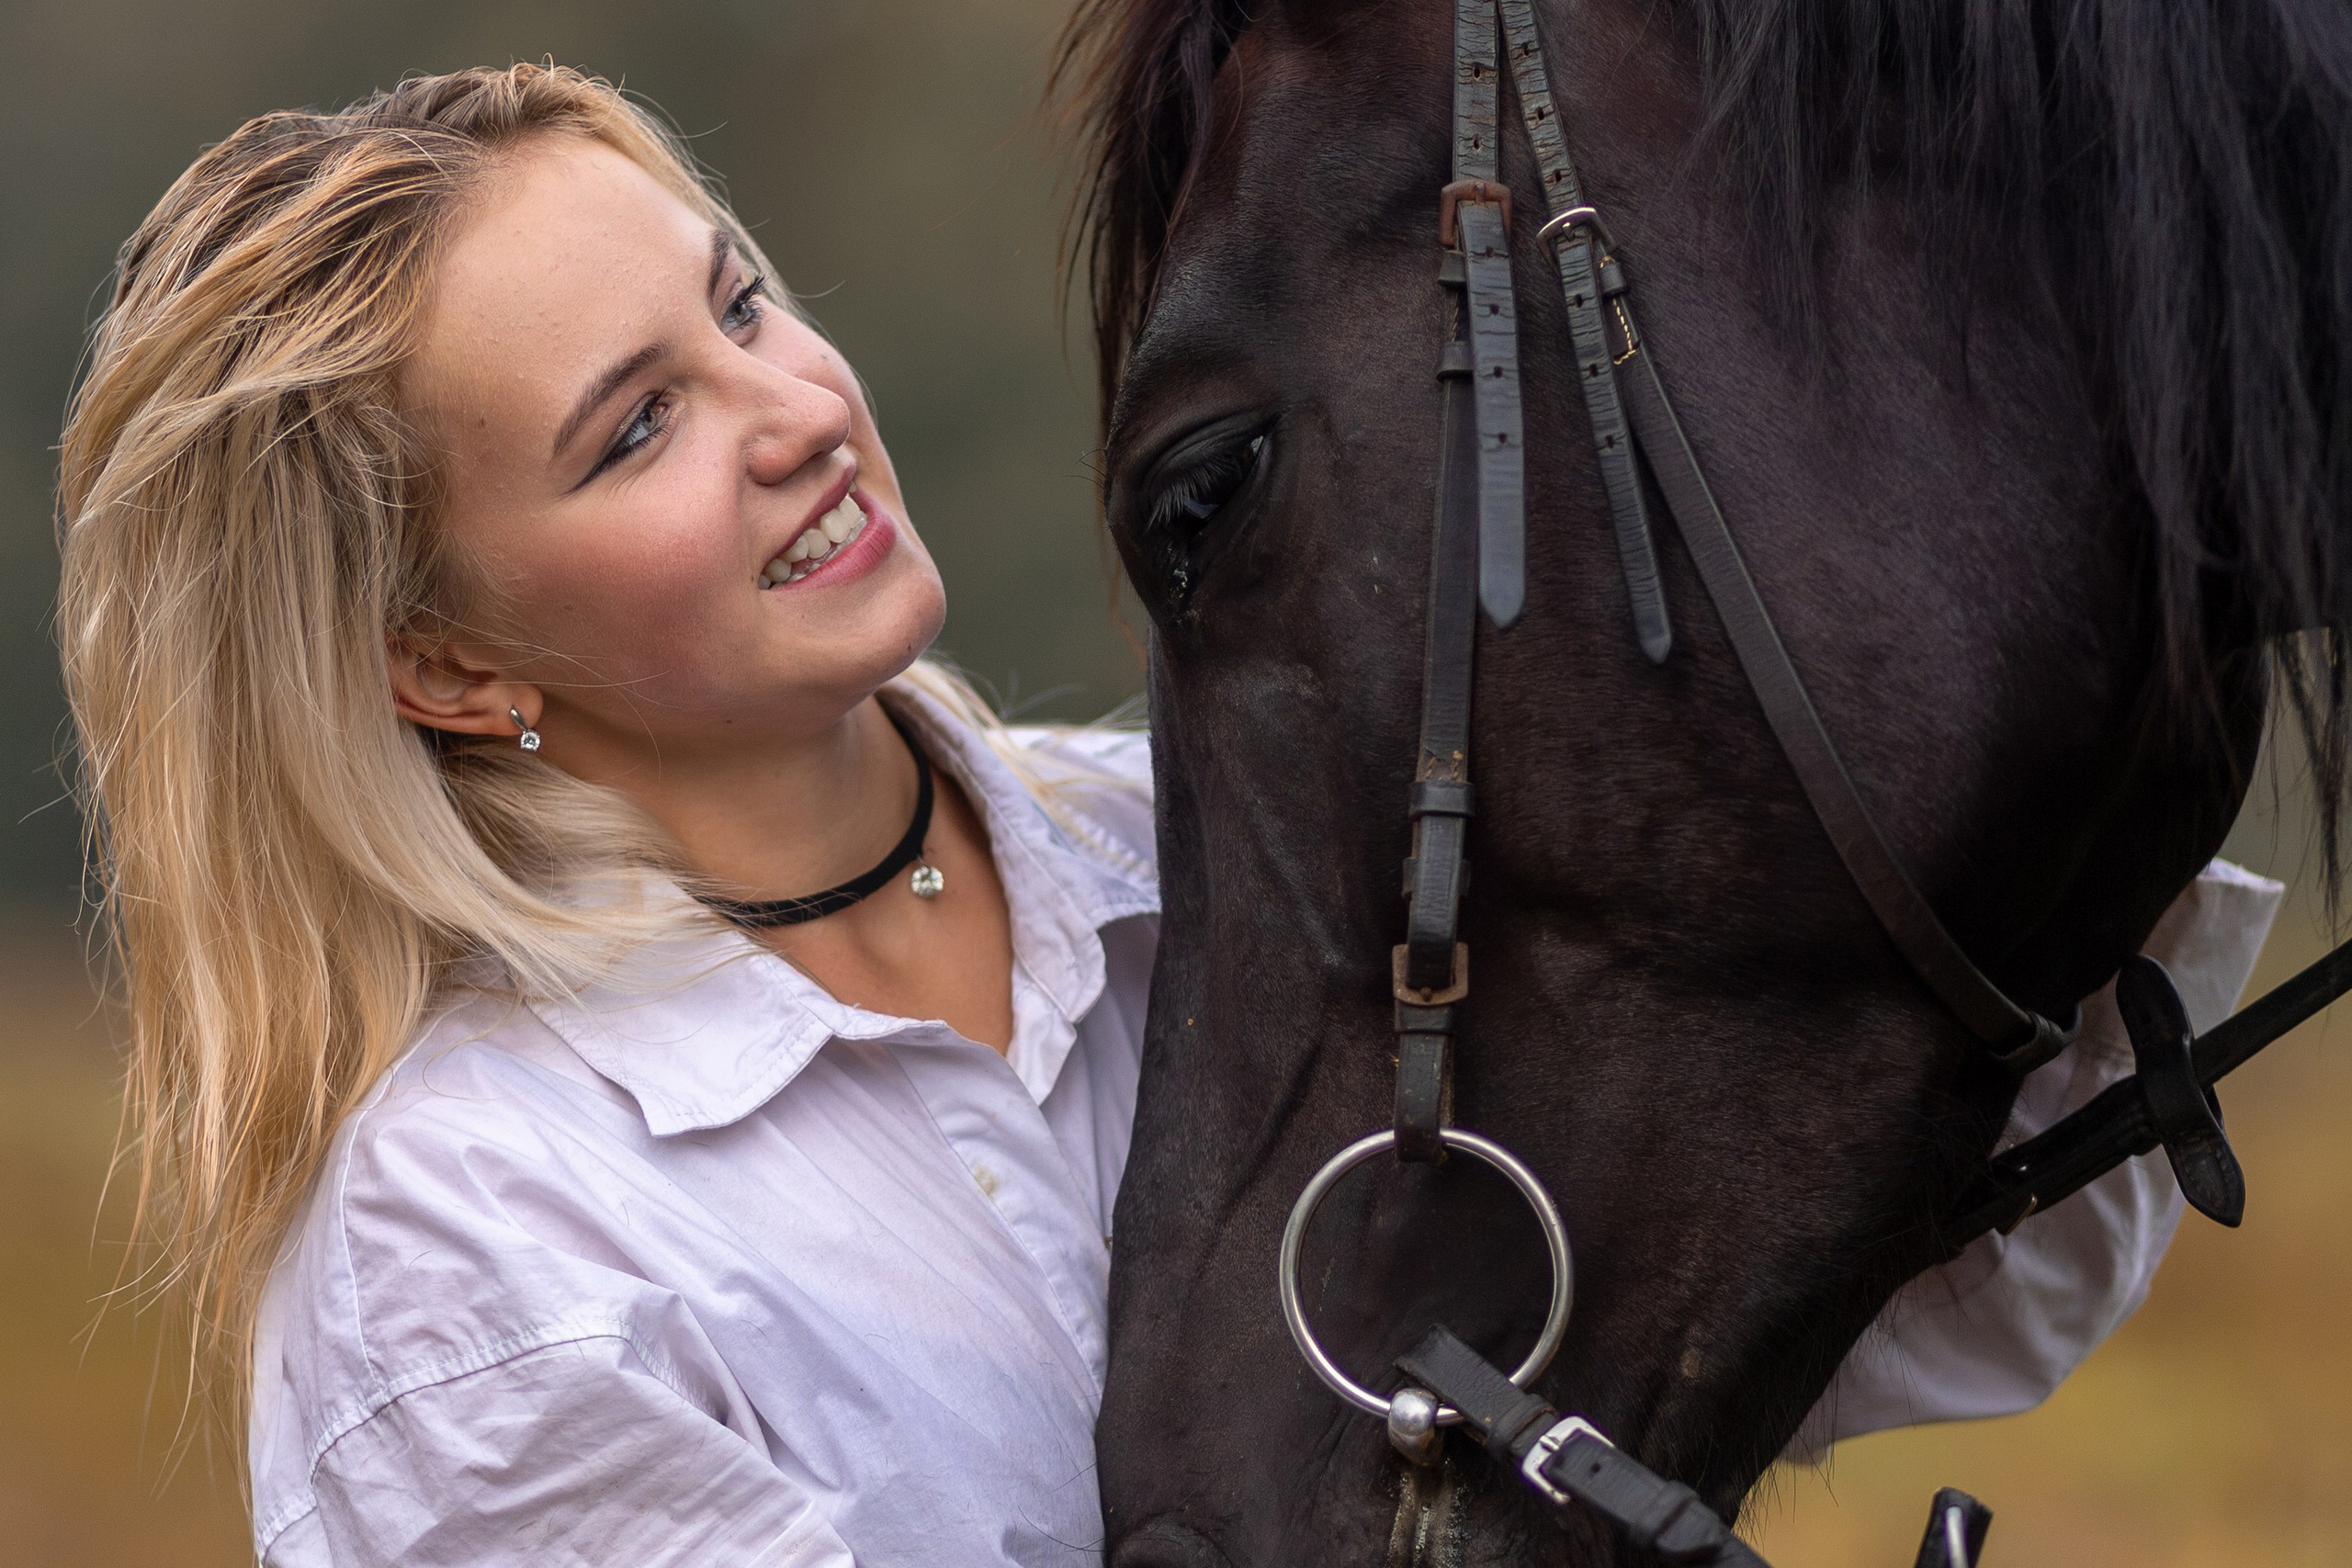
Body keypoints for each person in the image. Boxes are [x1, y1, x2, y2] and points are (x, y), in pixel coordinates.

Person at [55, 62, 2278, 1568]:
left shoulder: (1205, 851)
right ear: (446, 663)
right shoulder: (480, 1256)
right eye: (633, 427)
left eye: (740, 305)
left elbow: (1837, 1318)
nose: (787, 411)